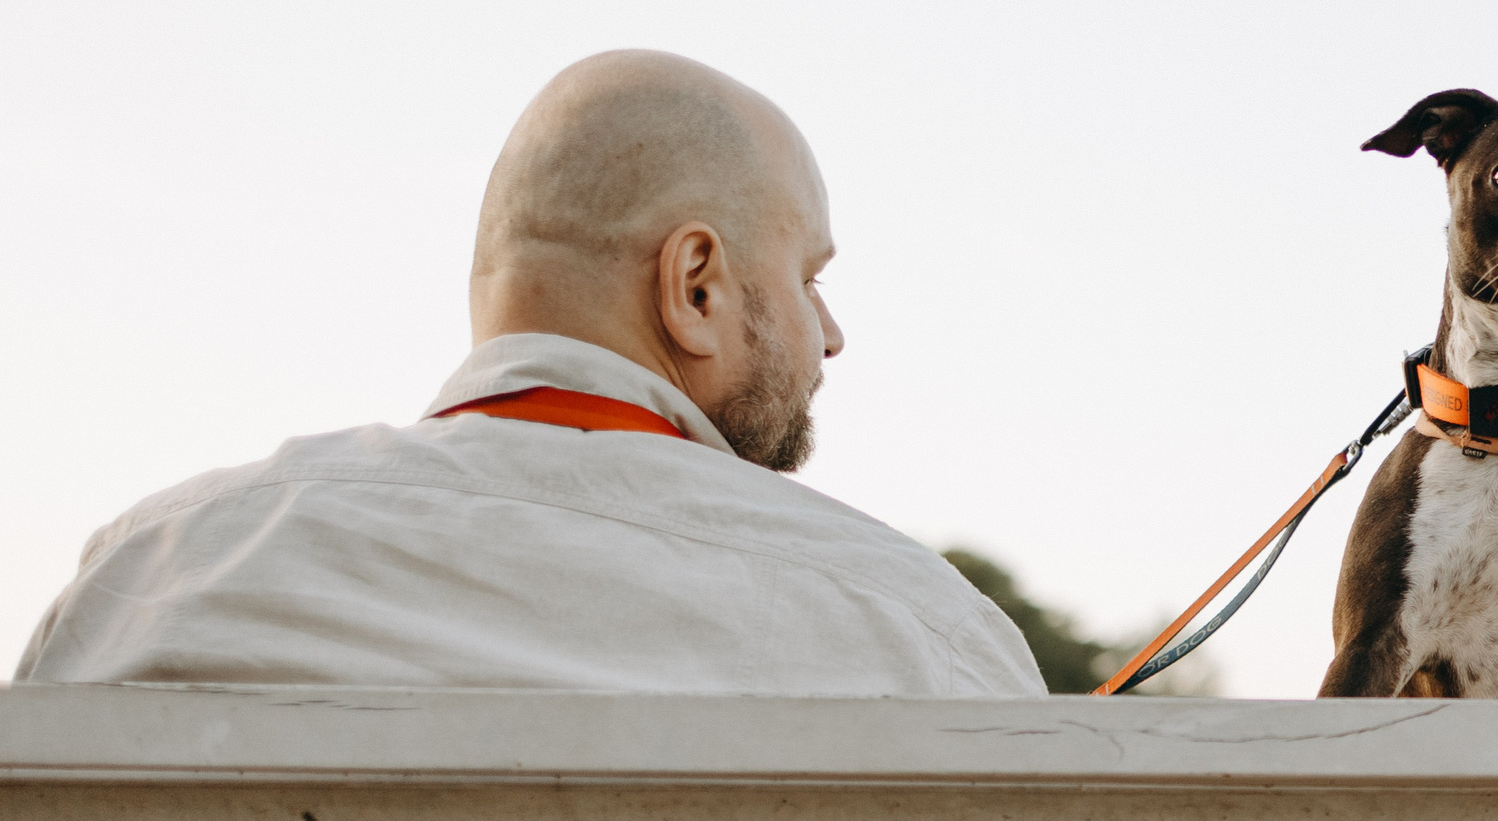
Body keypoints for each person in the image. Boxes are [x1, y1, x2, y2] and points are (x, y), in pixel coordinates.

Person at [15, 51, 1043, 696]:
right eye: (808, 273)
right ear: (695, 284)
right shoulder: (917, 634)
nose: (830, 332)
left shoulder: (151, 574)